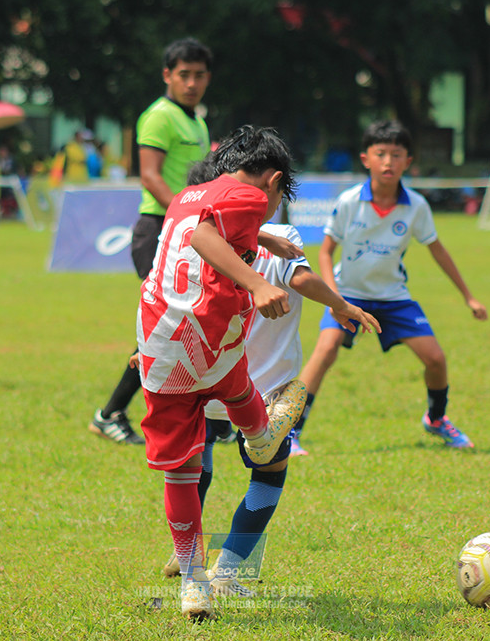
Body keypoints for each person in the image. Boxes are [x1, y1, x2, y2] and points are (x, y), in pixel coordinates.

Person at [156, 155, 381, 600]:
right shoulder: (280, 235)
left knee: (194, 463)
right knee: (269, 472)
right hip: (262, 388)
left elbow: (167, 292)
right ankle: (228, 572)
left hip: (202, 372)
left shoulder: (187, 231)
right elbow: (300, 279)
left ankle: (189, 552)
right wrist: (340, 304)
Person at [90, 37, 300, 445]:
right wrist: (184, 222)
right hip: (160, 228)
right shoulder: (159, 117)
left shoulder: (198, 122)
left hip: (192, 229)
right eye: (183, 74)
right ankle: (112, 412)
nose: (191, 83)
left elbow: (208, 199)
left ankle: (213, 414)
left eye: (199, 75)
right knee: (167, 323)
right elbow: (150, 175)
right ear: (167, 75)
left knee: (205, 315)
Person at [135, 125, 306, 621]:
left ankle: (193, 583)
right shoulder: (248, 195)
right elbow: (209, 234)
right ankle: (261, 434)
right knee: (237, 386)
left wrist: (265, 238)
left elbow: (196, 228)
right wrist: (256, 282)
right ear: (272, 181)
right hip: (209, 342)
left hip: (159, 345)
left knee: (181, 472)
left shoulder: (187, 194)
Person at [296, 120, 488, 452]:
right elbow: (326, 251)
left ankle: (437, 419)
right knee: (325, 351)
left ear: (408, 162)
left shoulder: (416, 206)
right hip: (349, 295)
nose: (388, 162)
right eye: (380, 154)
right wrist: (334, 297)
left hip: (393, 298)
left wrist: (468, 297)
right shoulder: (349, 201)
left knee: (436, 360)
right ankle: (290, 430)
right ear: (365, 159)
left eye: (396, 155)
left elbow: (438, 251)